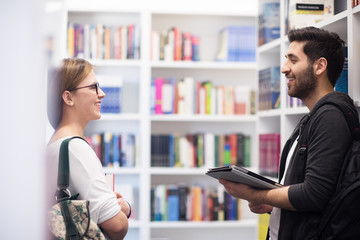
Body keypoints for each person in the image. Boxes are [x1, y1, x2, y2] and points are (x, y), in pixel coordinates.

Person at [219, 26, 359, 239]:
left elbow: (314, 194)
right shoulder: (313, 117)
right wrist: (271, 203)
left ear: (319, 66)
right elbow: (307, 192)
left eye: (293, 60)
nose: (284, 68)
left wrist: (253, 193)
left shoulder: (330, 116)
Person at [47, 58, 130, 240]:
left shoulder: (55, 144)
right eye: (93, 87)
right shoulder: (75, 148)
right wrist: (125, 209)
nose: (102, 94)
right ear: (68, 97)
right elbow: (117, 226)